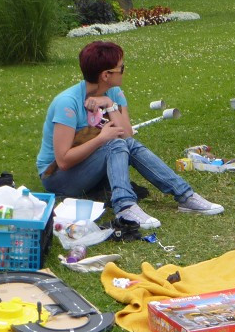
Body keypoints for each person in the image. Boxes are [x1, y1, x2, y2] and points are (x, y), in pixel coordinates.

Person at [37, 41, 223, 228]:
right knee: (114, 144)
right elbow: (63, 161)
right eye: (121, 68)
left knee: (126, 144)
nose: (124, 71)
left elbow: (126, 134)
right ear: (105, 75)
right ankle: (125, 207)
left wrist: (109, 104)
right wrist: (102, 138)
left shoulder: (114, 93)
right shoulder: (67, 104)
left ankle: (185, 196)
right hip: (56, 176)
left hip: (87, 166)